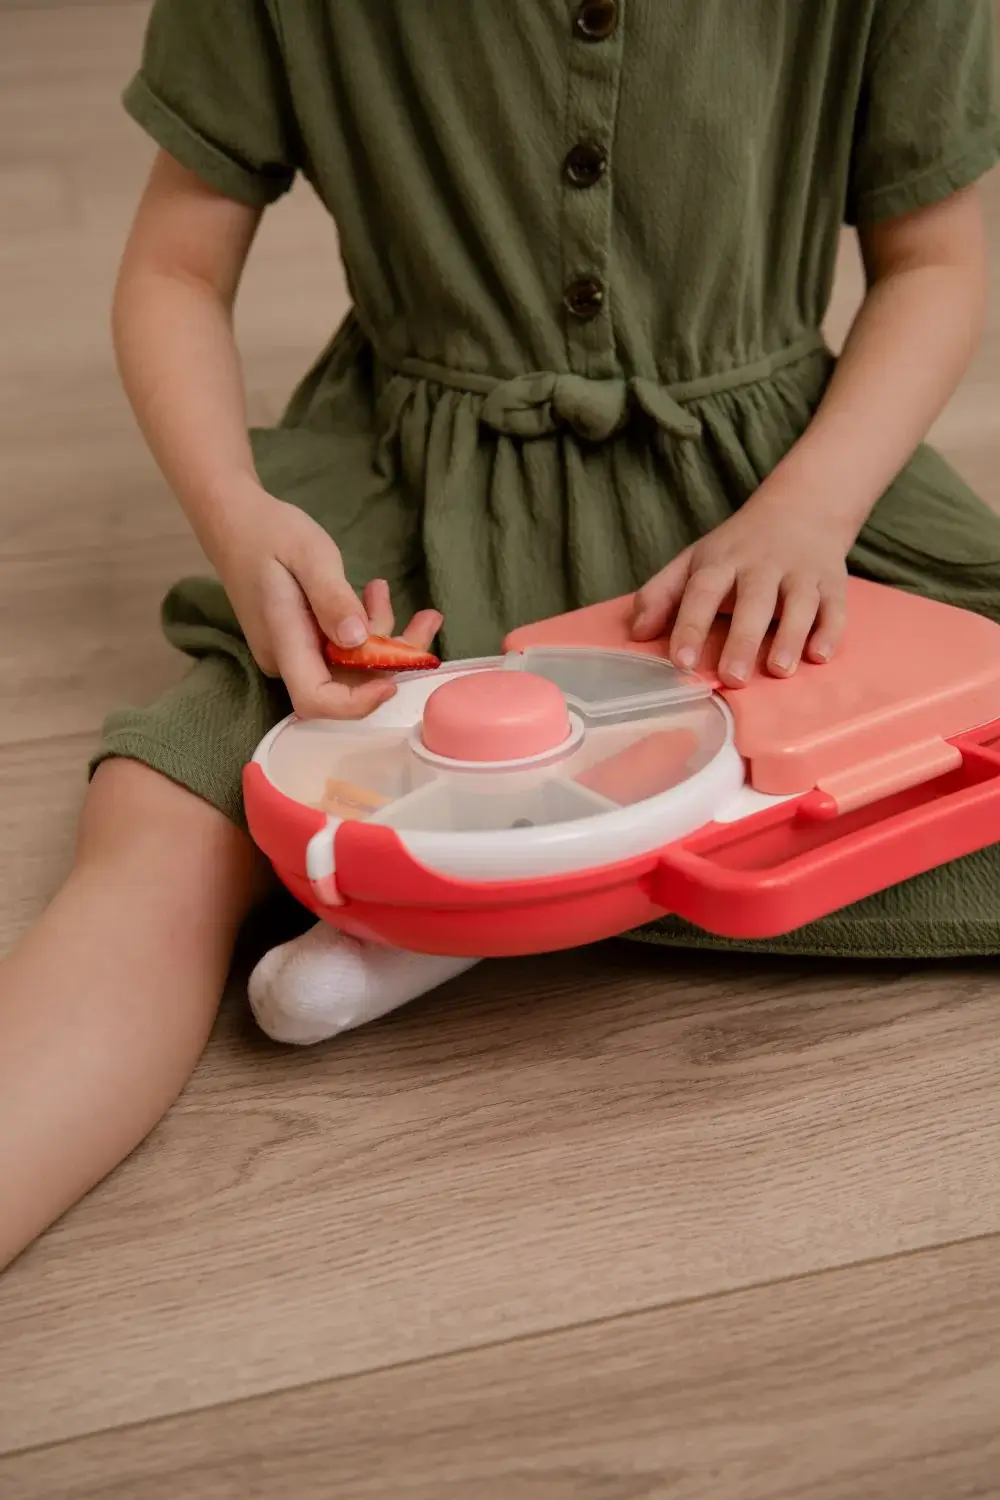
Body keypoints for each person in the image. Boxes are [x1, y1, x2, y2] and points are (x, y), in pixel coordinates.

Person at [1, 0, 999, 1268]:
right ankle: (502, 871)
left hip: (779, 499)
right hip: (416, 504)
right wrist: (235, 513)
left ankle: (471, 891)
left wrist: (812, 509)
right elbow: (174, 270)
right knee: (161, 824)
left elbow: (935, 261)